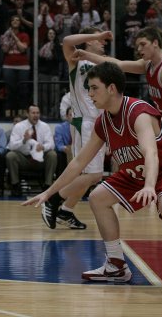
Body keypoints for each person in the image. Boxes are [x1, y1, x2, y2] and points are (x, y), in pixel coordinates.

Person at [22, 61, 162, 297]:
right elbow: (78, 162)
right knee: (97, 197)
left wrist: (150, 186)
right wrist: (49, 192)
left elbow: (151, 152)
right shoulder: (103, 122)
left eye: (94, 88)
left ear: (112, 89)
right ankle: (116, 265)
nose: (90, 93)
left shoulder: (139, 112)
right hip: (137, 172)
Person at [71, 27, 162, 241]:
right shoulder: (148, 66)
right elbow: (117, 64)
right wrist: (86, 55)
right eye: (137, 45)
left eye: (143, 44)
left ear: (156, 43)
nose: (138, 49)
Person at [40, 26, 106, 231]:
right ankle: (52, 200)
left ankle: (66, 211)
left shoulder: (103, 64)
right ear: (89, 41)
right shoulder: (77, 59)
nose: (103, 42)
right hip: (85, 121)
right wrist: (97, 34)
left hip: (97, 122)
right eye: (99, 40)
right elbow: (67, 40)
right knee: (94, 176)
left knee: (86, 175)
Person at [6, 104, 57, 197]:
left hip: (40, 159)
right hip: (24, 159)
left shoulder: (45, 126)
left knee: (52, 154)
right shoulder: (19, 126)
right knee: (11, 155)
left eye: (37, 113)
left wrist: (43, 147)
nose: (36, 115)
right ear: (27, 114)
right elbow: (11, 146)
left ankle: (48, 185)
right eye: (33, 113)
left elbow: (51, 144)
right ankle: (15, 185)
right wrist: (23, 141)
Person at [54, 107, 72, 177]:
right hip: (64, 151)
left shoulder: (81, 127)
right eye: (71, 115)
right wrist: (66, 149)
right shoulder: (59, 127)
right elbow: (59, 145)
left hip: (77, 151)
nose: (73, 117)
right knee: (60, 156)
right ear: (67, 116)